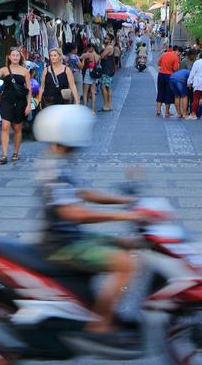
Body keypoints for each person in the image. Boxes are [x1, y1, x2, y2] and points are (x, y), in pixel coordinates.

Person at [33, 104, 147, 336]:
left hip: (71, 236)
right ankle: (100, 323)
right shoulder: (53, 168)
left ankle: (97, 303)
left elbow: (83, 192)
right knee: (127, 263)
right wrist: (123, 214)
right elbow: (74, 213)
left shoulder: (59, 160)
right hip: (64, 244)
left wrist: (123, 201)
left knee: (129, 244)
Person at [0, 47, 32, 164]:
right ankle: (4, 154)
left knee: (17, 128)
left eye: (17, 55)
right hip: (6, 100)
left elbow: (29, 89)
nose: (15, 57)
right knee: (5, 127)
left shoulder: (25, 71)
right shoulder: (4, 70)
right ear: (9, 57)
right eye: (13, 55)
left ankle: (16, 152)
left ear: (20, 57)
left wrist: (28, 105)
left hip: (20, 102)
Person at [156, 45, 179, 117]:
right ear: (176, 50)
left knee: (160, 92)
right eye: (179, 52)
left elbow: (158, 63)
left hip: (161, 75)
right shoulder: (175, 57)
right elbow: (175, 69)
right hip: (169, 76)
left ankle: (158, 110)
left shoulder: (164, 54)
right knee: (168, 93)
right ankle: (166, 112)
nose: (179, 54)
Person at [80, 44, 101, 113]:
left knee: (85, 92)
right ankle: (93, 110)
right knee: (93, 92)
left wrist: (85, 54)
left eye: (88, 48)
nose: (88, 50)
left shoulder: (89, 55)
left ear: (92, 48)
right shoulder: (98, 56)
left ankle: (85, 109)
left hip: (89, 72)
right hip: (95, 74)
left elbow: (81, 56)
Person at [99, 35, 115, 111]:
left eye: (106, 38)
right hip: (108, 69)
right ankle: (109, 105)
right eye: (104, 38)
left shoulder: (109, 47)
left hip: (106, 69)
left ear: (110, 40)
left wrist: (102, 55)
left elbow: (101, 56)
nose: (104, 39)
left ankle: (106, 105)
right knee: (107, 87)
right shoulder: (108, 47)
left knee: (104, 87)